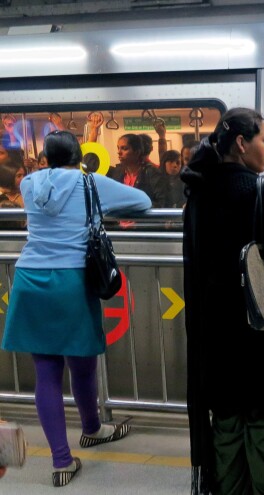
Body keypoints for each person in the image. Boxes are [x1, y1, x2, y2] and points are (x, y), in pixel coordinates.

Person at [0, 130, 150, 487]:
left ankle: (62, 461)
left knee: (46, 372)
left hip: (30, 278)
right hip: (71, 279)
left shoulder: (30, 184)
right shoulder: (90, 182)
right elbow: (142, 201)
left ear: (47, 158)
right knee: (82, 361)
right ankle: (92, 428)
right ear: (79, 155)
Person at [181, 108, 264, 494]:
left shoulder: (199, 194)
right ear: (242, 144)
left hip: (218, 348)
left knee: (228, 447)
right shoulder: (260, 190)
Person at [108, 134, 166, 207]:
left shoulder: (152, 172)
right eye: (118, 148)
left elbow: (162, 203)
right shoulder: (117, 172)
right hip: (120, 217)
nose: (119, 152)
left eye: (124, 148)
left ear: (137, 152)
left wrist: (135, 205)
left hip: (143, 217)